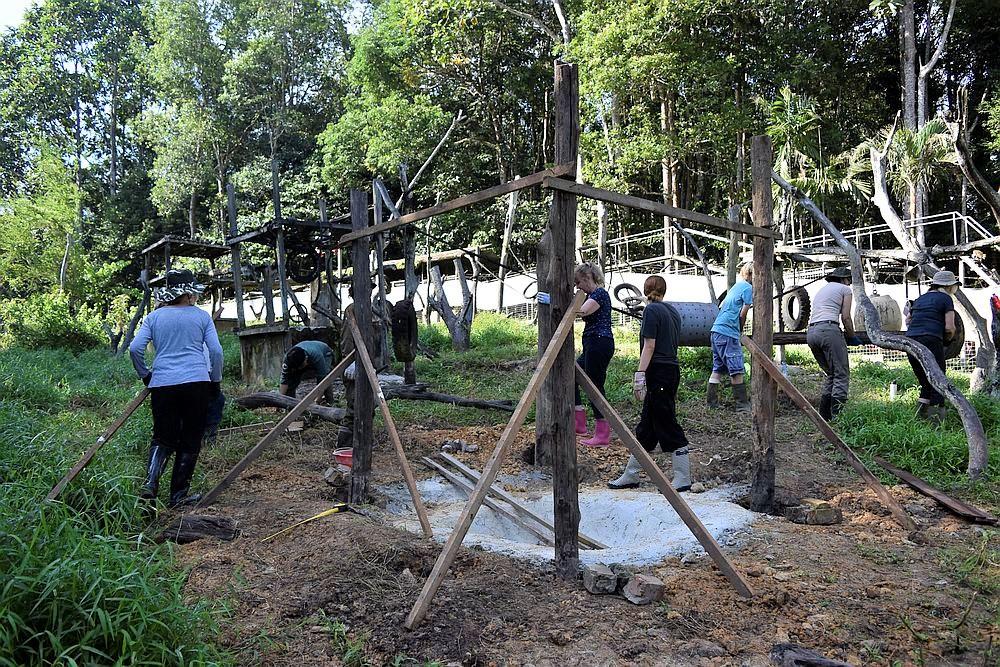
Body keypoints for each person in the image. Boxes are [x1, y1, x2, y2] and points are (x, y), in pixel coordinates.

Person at [130, 269, 223, 507]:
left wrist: (145, 375)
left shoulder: (154, 317)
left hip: (162, 384)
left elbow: (135, 349)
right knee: (190, 439)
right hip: (196, 383)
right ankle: (178, 496)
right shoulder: (201, 317)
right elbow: (215, 352)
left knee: (162, 437)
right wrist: (215, 380)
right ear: (189, 293)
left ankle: (150, 483)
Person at [609, 275, 691, 491]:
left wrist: (640, 374)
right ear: (664, 290)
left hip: (658, 371)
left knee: (666, 421)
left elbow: (649, 346)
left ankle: (683, 478)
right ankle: (631, 474)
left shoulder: (651, 311)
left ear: (644, 290)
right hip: (672, 369)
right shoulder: (672, 311)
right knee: (647, 426)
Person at [807, 267, 862, 420]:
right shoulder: (845, 289)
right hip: (829, 330)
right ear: (844, 279)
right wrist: (851, 336)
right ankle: (838, 417)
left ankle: (824, 416)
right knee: (841, 373)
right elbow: (846, 317)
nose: (849, 283)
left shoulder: (823, 289)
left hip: (811, 333)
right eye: (849, 280)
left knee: (831, 373)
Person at [905, 270, 959, 424]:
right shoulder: (946, 299)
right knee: (938, 380)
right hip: (931, 339)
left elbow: (908, 321)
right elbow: (950, 328)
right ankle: (936, 423)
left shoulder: (920, 299)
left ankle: (917, 420)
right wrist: (947, 341)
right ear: (949, 286)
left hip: (911, 341)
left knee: (925, 381)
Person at [573, 262, 616, 447]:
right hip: (592, 342)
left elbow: (582, 311)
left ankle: (603, 433)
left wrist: (555, 301)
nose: (577, 287)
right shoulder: (591, 295)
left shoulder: (600, 293)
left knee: (594, 385)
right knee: (573, 374)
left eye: (578, 282)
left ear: (586, 278)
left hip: (600, 342)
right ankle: (579, 423)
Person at [707, 263, 753, 411]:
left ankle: (711, 404)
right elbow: (743, 313)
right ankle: (742, 405)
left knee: (718, 368)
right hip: (728, 332)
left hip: (716, 331)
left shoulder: (737, 286)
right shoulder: (748, 288)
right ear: (753, 274)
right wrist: (740, 329)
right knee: (736, 368)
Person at [279, 340, 336, 405]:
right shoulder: (288, 359)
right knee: (292, 381)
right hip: (306, 354)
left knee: (326, 379)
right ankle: (290, 404)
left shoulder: (317, 356)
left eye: (301, 366)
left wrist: (316, 402)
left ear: (306, 359)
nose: (299, 369)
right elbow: (284, 381)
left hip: (325, 353)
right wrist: (280, 400)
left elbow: (323, 381)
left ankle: (330, 403)